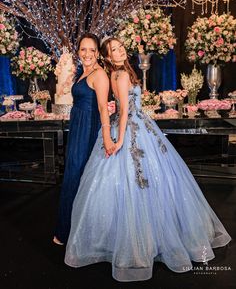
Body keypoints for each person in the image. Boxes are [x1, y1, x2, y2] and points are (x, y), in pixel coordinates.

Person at [64, 37, 231, 281]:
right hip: (131, 129)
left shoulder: (123, 72)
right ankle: (137, 242)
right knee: (136, 183)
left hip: (141, 126)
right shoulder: (119, 76)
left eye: (121, 47)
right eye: (114, 50)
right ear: (108, 57)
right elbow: (122, 112)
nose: (120, 51)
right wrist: (120, 140)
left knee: (152, 181)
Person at [53, 33, 115, 246]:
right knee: (74, 175)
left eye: (91, 50)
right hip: (78, 125)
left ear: (98, 52)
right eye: (83, 49)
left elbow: (102, 107)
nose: (87, 54)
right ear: (78, 52)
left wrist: (106, 137)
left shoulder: (99, 75)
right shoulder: (82, 71)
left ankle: (72, 232)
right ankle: (70, 230)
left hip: (89, 129)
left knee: (79, 176)